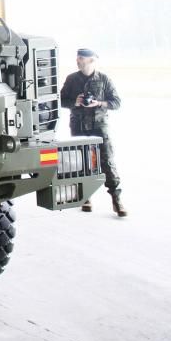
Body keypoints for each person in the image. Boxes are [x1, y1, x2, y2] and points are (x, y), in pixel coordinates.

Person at [60, 48, 126, 217]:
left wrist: (99, 103)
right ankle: (85, 198)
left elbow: (116, 102)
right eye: (77, 58)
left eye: (81, 58)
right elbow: (61, 100)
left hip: (99, 126)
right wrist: (75, 102)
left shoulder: (103, 79)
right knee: (81, 163)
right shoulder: (71, 79)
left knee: (107, 161)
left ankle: (116, 200)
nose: (78, 60)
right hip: (79, 127)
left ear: (91, 61)